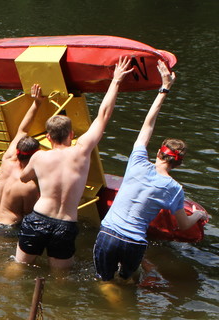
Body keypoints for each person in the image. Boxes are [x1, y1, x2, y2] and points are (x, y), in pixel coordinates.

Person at [93, 60, 210, 284]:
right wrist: (198, 214)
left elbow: (148, 124)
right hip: (135, 242)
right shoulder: (175, 189)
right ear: (178, 165)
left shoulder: (137, 161)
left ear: (158, 153)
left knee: (104, 282)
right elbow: (183, 225)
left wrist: (164, 89)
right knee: (128, 282)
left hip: (108, 233)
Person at [14, 56, 134, 269]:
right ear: (71, 134)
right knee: (62, 279)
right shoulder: (81, 151)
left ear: (49, 137)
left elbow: (23, 178)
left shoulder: (39, 157)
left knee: (18, 267)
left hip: (38, 218)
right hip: (66, 224)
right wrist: (115, 81)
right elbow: (103, 115)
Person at [0, 84, 44, 233]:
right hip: (9, 228)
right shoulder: (28, 185)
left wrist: (36, 103)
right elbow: (31, 215)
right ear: (35, 156)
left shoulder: (7, 159)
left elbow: (22, 130)